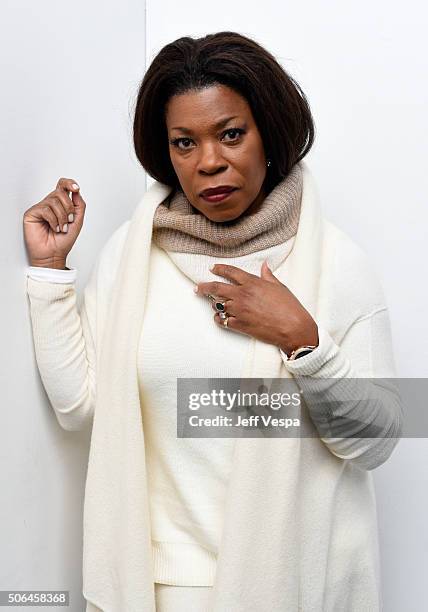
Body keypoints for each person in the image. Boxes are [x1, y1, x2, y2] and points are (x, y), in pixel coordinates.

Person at [23, 31, 402, 612]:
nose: (209, 162)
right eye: (184, 143)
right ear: (166, 153)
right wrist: (51, 271)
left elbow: (380, 440)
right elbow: (81, 407)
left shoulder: (336, 263)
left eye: (231, 134)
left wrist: (304, 341)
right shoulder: (133, 253)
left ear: (267, 133)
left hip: (297, 587)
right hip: (167, 587)